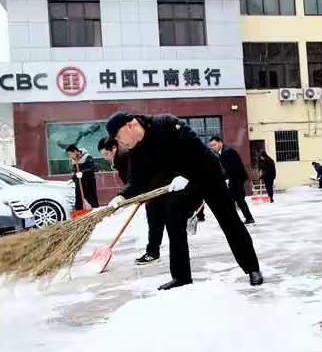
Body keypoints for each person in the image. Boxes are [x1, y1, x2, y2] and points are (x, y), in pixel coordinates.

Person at [106, 112, 263, 290]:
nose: (120, 143)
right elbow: (137, 182)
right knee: (173, 218)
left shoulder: (165, 124)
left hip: (206, 173)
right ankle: (181, 276)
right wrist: (121, 197)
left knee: (229, 220)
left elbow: (195, 149)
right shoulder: (137, 151)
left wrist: (186, 175)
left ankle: (253, 269)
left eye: (118, 137)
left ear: (130, 125)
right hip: (181, 184)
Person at [98, 136, 163, 265]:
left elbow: (136, 180)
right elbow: (131, 182)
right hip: (149, 190)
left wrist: (122, 195)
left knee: (156, 219)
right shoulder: (120, 160)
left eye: (106, 154)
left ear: (114, 149)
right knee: (155, 219)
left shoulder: (127, 157)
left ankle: (153, 254)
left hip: (158, 187)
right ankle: (153, 252)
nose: (105, 157)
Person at [209, 136, 255, 224]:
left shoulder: (227, 152)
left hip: (236, 178)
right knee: (235, 199)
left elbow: (232, 168)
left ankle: (246, 218)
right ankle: (244, 218)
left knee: (237, 199)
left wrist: (226, 179)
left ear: (220, 143)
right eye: (211, 146)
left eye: (214, 145)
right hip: (235, 178)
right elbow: (228, 169)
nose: (213, 147)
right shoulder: (223, 152)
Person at [66, 144, 99, 210]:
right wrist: (73, 178)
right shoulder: (74, 159)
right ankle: (80, 215)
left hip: (88, 183)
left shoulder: (87, 157)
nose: (70, 156)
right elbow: (76, 172)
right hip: (79, 183)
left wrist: (82, 173)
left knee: (91, 199)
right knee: (78, 199)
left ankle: (94, 213)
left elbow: (93, 168)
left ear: (75, 151)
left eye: (70, 154)